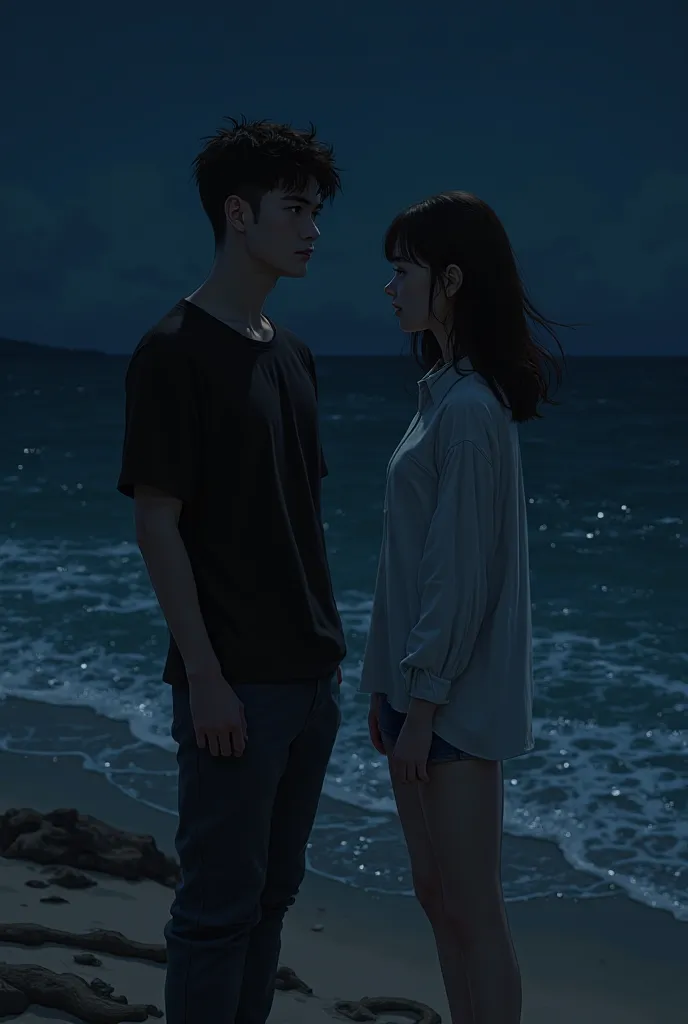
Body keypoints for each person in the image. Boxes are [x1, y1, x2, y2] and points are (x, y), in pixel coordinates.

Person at [116, 117, 346, 1024]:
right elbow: (156, 522)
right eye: (296, 208)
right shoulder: (172, 350)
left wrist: (332, 663)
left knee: (270, 903)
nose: (314, 227)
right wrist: (206, 680)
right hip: (235, 690)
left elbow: (298, 523)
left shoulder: (294, 356)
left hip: (310, 678)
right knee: (214, 915)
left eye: (318, 209)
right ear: (238, 213)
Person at [359, 191, 566, 1024]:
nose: (390, 287)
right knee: (436, 897)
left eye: (402, 270)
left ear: (450, 280)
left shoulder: (472, 412)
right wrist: (390, 693)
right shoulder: (441, 395)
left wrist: (424, 704)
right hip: (412, 697)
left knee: (473, 911)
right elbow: (417, 566)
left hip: (447, 706)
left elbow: (459, 578)